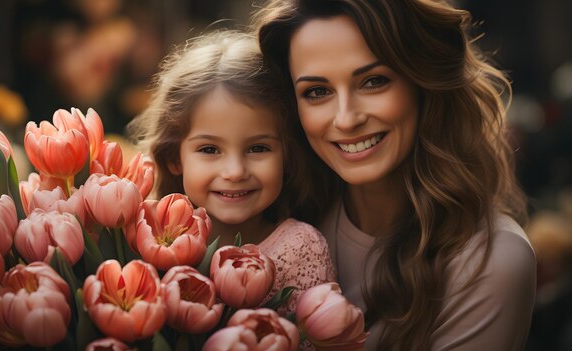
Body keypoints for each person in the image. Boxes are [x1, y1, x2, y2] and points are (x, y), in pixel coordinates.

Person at [252, 0, 536, 349]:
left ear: (422, 82)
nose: (346, 118)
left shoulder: (490, 263)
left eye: (373, 81)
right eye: (317, 92)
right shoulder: (280, 219)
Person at [128, 30, 336, 314]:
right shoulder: (142, 238)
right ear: (174, 157)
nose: (235, 171)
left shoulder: (302, 250)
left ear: (287, 155)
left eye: (258, 148)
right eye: (210, 150)